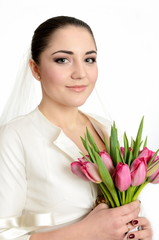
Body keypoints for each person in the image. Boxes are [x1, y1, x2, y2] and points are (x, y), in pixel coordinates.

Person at [0, 16, 152, 240]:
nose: (80, 73)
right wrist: (84, 231)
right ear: (35, 68)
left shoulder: (105, 128)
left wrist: (139, 228)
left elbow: (125, 209)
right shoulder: (16, 137)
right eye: (63, 60)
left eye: (89, 59)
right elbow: (6, 229)